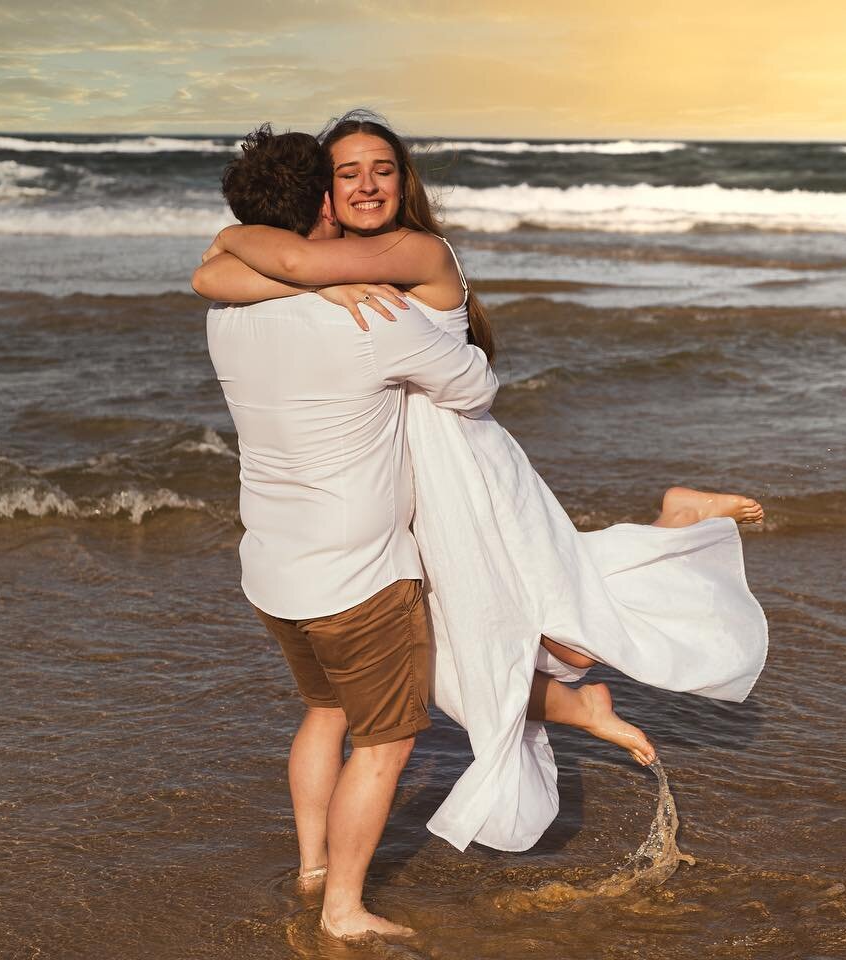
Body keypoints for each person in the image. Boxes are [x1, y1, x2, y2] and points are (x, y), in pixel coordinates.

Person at [195, 110, 768, 856]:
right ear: (323, 198)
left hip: (457, 458)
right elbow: (218, 272)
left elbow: (248, 268)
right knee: (462, 641)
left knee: (550, 614)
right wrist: (306, 278)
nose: (368, 185)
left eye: (384, 169)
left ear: (406, 180)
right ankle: (578, 699)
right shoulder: (334, 267)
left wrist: (282, 261)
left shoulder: (413, 249)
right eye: (347, 173)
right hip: (400, 465)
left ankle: (674, 529)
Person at [200, 125, 499, 942]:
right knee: (388, 741)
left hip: (272, 570)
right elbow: (475, 386)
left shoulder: (226, 313)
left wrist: (306, 284)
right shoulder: (375, 318)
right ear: (324, 205)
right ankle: (344, 911)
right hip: (359, 579)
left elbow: (226, 270)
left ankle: (311, 867)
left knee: (323, 713)